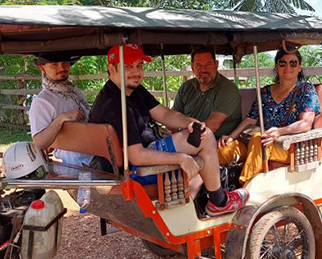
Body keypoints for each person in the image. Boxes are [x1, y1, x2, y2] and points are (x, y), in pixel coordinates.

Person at [89, 44, 248, 217]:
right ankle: (219, 202)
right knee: (206, 137)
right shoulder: (116, 105)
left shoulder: (131, 89)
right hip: (135, 169)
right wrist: (180, 158)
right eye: (128, 67)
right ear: (112, 69)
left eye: (139, 66)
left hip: (141, 154)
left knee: (200, 137)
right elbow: (136, 155)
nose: (136, 72)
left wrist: (191, 121)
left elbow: (164, 114)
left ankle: (186, 214)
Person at [218, 49, 320, 184]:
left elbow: (305, 123)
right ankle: (211, 191)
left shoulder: (305, 90)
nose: (287, 67)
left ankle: (244, 187)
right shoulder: (266, 91)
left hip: (289, 146)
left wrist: (279, 132)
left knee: (258, 139)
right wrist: (231, 136)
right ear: (277, 66)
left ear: (299, 67)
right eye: (282, 63)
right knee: (225, 149)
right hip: (261, 143)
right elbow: (250, 119)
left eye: (293, 63)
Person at [28, 53, 93, 167]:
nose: (62, 68)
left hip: (93, 154)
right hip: (77, 164)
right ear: (42, 68)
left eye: (65, 63)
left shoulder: (74, 91)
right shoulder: (42, 101)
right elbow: (38, 144)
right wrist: (60, 119)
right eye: (54, 65)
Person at [173, 46, 242, 139]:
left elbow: (212, 125)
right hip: (188, 139)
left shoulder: (227, 88)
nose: (204, 70)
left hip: (218, 142)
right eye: (199, 65)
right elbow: (173, 118)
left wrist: (183, 141)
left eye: (208, 65)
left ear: (216, 65)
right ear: (192, 68)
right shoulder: (186, 87)